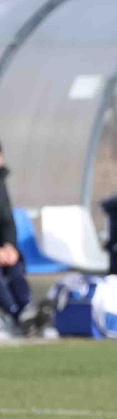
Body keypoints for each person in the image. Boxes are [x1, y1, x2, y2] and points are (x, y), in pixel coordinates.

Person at [0, 141, 32, 335]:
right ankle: (14, 314)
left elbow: (7, 221)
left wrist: (10, 247)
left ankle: (27, 310)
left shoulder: (1, 183)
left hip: (3, 250)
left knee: (16, 269)